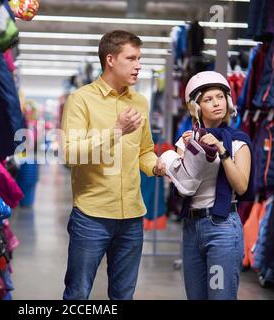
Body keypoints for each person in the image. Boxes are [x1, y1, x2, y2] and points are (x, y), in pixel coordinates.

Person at [61, 30, 166, 300]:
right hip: (91, 216)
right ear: (110, 59)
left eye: (139, 58)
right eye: (131, 58)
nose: (138, 65)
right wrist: (115, 131)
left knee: (124, 295)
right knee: (78, 293)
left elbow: (144, 151)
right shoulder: (81, 100)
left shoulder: (140, 102)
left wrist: (158, 166)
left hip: (132, 216)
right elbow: (71, 153)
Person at [175, 71, 254, 300]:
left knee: (220, 296)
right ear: (196, 108)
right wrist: (189, 151)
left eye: (220, 97)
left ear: (228, 101)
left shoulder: (239, 141)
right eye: (208, 99)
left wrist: (222, 150)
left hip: (222, 230)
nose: (216, 103)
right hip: (192, 226)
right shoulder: (186, 140)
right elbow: (182, 186)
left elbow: (241, 185)